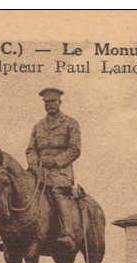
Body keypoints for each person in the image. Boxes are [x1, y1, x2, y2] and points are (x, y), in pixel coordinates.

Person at [25, 87, 80, 251]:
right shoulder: (38, 126)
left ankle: (67, 233)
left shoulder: (71, 123)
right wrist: (34, 165)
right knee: (19, 189)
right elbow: (30, 149)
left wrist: (55, 161)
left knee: (57, 193)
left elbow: (74, 149)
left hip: (60, 172)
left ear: (59, 102)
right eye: (46, 102)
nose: (49, 105)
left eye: (52, 102)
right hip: (38, 171)